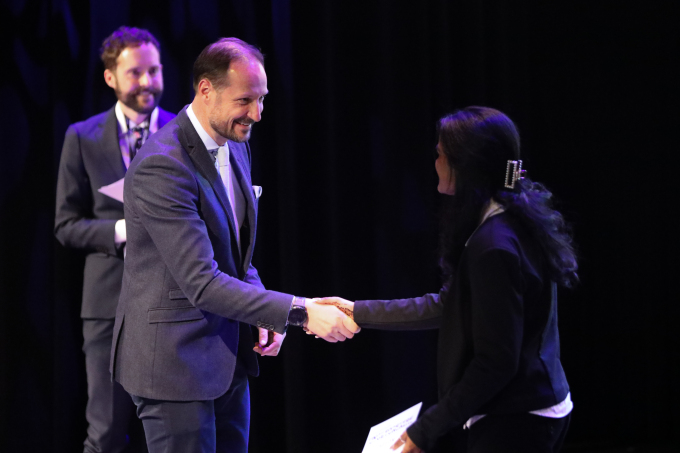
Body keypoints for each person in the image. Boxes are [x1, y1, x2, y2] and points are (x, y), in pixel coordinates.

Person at [110, 37, 360, 453]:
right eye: (246, 99)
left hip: (227, 355)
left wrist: (264, 309)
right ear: (206, 90)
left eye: (262, 99)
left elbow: (236, 257)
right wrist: (297, 312)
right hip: (173, 364)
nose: (257, 114)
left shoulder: (235, 142)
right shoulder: (162, 165)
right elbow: (202, 282)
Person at [320, 106, 577, 453]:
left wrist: (424, 431)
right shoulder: (506, 219)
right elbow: (451, 304)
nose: (435, 162)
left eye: (440, 154)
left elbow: (495, 364)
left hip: (519, 417)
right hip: (530, 406)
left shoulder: (495, 246)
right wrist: (358, 311)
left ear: (464, 165)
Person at [55, 26, 175, 453]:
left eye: (154, 71)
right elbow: (65, 225)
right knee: (105, 432)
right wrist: (121, 230)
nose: (147, 82)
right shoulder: (82, 137)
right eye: (135, 72)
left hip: (172, 304)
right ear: (110, 78)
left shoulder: (184, 133)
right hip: (107, 304)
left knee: (174, 433)